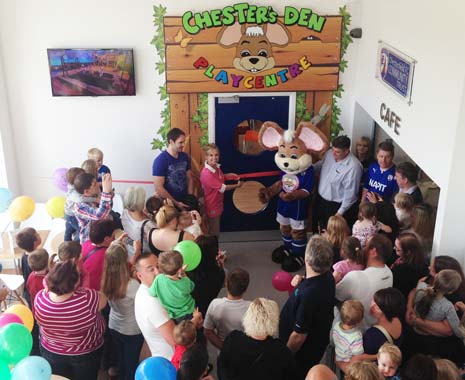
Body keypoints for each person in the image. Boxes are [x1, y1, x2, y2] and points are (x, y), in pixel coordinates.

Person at [34, 260, 107, 380]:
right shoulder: (88, 298)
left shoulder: (40, 297)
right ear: (75, 283)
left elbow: (39, 322)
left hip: (52, 350)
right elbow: (104, 299)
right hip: (84, 351)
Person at [279, 235, 335, 379]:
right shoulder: (328, 276)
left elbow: (298, 336)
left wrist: (285, 357)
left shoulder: (308, 295)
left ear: (307, 260)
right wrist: (302, 281)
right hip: (318, 338)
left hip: (301, 355)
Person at [218, 298, 297, 380]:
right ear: (274, 321)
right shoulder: (281, 351)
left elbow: (222, 368)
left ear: (248, 317)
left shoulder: (233, 339)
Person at [101, 241, 143, 380]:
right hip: (131, 330)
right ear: (125, 259)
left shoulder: (106, 279)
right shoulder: (132, 285)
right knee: (131, 362)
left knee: (120, 358)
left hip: (114, 324)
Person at [336, 234, 393, 331]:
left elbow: (335, 294)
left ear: (374, 252)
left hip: (352, 331)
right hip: (374, 328)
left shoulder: (356, 277)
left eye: (366, 246)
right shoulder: (389, 273)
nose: (362, 249)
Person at [313, 135, 363, 231]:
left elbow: (351, 194)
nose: (334, 153)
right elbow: (320, 165)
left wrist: (339, 213)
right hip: (320, 200)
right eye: (333, 150)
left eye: (337, 152)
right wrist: (308, 169)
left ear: (347, 151)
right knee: (318, 229)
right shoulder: (329, 154)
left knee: (331, 234)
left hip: (336, 207)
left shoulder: (354, 167)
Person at [134, 252, 175, 359]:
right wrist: (193, 323)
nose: (158, 272)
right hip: (172, 359)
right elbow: (175, 339)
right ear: (140, 275)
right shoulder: (152, 302)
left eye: (158, 266)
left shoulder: (147, 290)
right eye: (151, 269)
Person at [204, 268, 251, 350]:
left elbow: (207, 331)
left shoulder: (215, 304)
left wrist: (224, 348)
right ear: (246, 289)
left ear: (226, 284)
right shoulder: (252, 307)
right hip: (244, 349)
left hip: (223, 350)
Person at [200, 143, 241, 236]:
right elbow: (223, 188)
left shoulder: (216, 167)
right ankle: (214, 250)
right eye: (211, 155)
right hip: (211, 205)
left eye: (216, 155)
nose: (214, 157)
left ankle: (214, 249)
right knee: (214, 232)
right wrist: (237, 186)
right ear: (206, 157)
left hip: (217, 203)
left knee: (215, 228)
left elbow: (220, 177)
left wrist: (230, 175)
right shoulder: (207, 174)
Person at [413, 269, 464, 338]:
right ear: (450, 292)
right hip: (430, 336)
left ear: (436, 278)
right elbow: (459, 333)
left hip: (414, 328)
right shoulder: (448, 306)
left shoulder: (421, 287)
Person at [152, 127, 194, 209]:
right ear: (171, 142)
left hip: (185, 202)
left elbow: (190, 178)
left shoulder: (185, 157)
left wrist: (190, 198)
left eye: (184, 142)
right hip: (169, 205)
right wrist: (176, 203)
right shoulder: (160, 161)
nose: (183, 145)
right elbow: (158, 187)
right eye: (180, 142)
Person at [148, 250, 196, 322]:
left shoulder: (158, 279)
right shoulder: (184, 282)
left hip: (175, 317)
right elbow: (191, 287)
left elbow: (151, 292)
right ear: (179, 269)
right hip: (190, 311)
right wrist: (183, 274)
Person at [188, 235, 226, 317]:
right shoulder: (219, 273)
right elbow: (224, 284)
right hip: (207, 309)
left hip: (190, 311)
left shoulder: (188, 272)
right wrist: (221, 265)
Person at [362, 288, 406, 357]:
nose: (371, 306)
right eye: (373, 301)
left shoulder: (372, 336)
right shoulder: (398, 318)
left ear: (386, 312)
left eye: (377, 307)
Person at [74, 172, 113, 242]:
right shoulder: (79, 207)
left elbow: (107, 210)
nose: (98, 185)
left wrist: (109, 193)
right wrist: (106, 192)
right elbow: (100, 216)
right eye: (95, 184)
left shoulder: (94, 194)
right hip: (90, 240)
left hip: (101, 231)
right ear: (86, 192)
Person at [81, 219, 117, 290]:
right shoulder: (109, 255)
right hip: (95, 293)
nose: (114, 238)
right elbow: (125, 268)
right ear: (106, 238)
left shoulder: (86, 243)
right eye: (113, 236)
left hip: (82, 287)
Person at [391, 233, 428, 299]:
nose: (394, 248)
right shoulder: (423, 262)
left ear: (408, 252)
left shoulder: (401, 271)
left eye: (397, 249)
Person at [64, 167, 97, 242]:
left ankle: (67, 242)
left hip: (69, 214)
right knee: (79, 230)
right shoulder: (73, 191)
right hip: (71, 215)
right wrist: (95, 199)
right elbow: (80, 199)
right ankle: (74, 244)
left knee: (69, 229)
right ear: (76, 180)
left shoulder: (73, 187)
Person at [331, 300, 364, 373]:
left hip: (338, 356)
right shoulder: (356, 336)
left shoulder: (336, 325)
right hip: (348, 363)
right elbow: (358, 355)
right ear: (360, 321)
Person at [27, 248, 49, 355]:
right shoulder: (47, 280)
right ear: (47, 262)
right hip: (45, 313)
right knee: (43, 333)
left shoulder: (31, 276)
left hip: (36, 311)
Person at [16, 227, 42, 305]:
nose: (39, 235)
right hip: (36, 292)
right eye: (37, 235)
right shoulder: (37, 258)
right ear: (35, 242)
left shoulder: (24, 255)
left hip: (28, 290)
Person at [121, 186, 147, 259]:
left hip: (129, 252)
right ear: (141, 203)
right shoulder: (145, 225)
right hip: (143, 255)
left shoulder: (125, 213)